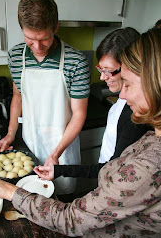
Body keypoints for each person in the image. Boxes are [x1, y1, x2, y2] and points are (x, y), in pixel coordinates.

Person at [0, 27, 161, 238]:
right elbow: (111, 170)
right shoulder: (152, 138)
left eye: (129, 83)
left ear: (157, 86)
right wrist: (63, 169)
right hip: (95, 233)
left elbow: (69, 219)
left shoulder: (151, 163)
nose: (121, 94)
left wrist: (10, 192)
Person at [0, 0, 90, 194]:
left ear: (55, 27)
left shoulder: (76, 61)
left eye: (45, 39)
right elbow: (18, 96)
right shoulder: (15, 56)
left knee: (63, 201)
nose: (37, 47)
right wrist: (11, 133)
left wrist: (56, 153)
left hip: (62, 147)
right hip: (31, 143)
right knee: (31, 197)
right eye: (30, 39)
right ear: (21, 29)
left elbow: (79, 114)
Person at [34, 28, 150, 182]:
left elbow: (114, 169)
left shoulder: (135, 115)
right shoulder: (123, 100)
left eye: (108, 71)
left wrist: (60, 170)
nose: (102, 77)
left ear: (130, 67)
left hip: (113, 183)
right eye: (101, 69)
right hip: (106, 177)